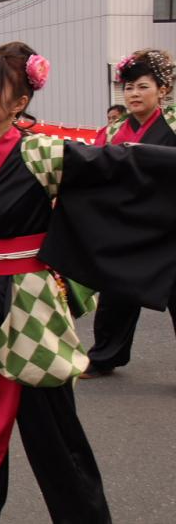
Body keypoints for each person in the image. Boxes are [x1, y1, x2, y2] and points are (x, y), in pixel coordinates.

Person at [0, 40, 176, 523]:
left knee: (53, 440)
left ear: (19, 103)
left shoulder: (41, 152)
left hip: (31, 308)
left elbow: (123, 167)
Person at [81, 49, 176, 379]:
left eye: (142, 87)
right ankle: (105, 356)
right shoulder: (112, 132)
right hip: (128, 229)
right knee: (116, 295)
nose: (134, 94)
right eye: (129, 87)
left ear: (162, 91)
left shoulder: (174, 125)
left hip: (170, 230)